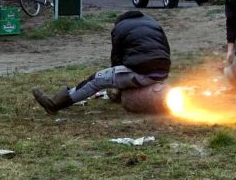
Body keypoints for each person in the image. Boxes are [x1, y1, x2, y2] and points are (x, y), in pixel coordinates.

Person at [32, 11, 171, 113]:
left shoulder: (119, 27)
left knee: (95, 80)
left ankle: (55, 104)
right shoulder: (153, 24)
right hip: (161, 72)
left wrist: (116, 84)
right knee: (130, 78)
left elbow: (116, 58)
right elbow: (166, 49)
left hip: (139, 72)